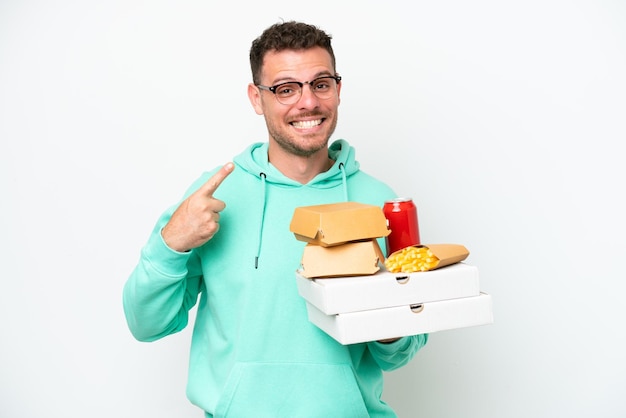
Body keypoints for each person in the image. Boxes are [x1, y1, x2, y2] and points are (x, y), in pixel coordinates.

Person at [123, 21, 428, 417]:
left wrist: (390, 324)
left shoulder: (380, 204)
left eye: (321, 84)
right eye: (286, 89)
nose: (307, 103)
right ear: (256, 98)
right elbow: (145, 325)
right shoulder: (213, 197)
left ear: (338, 89)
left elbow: (400, 352)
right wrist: (170, 243)